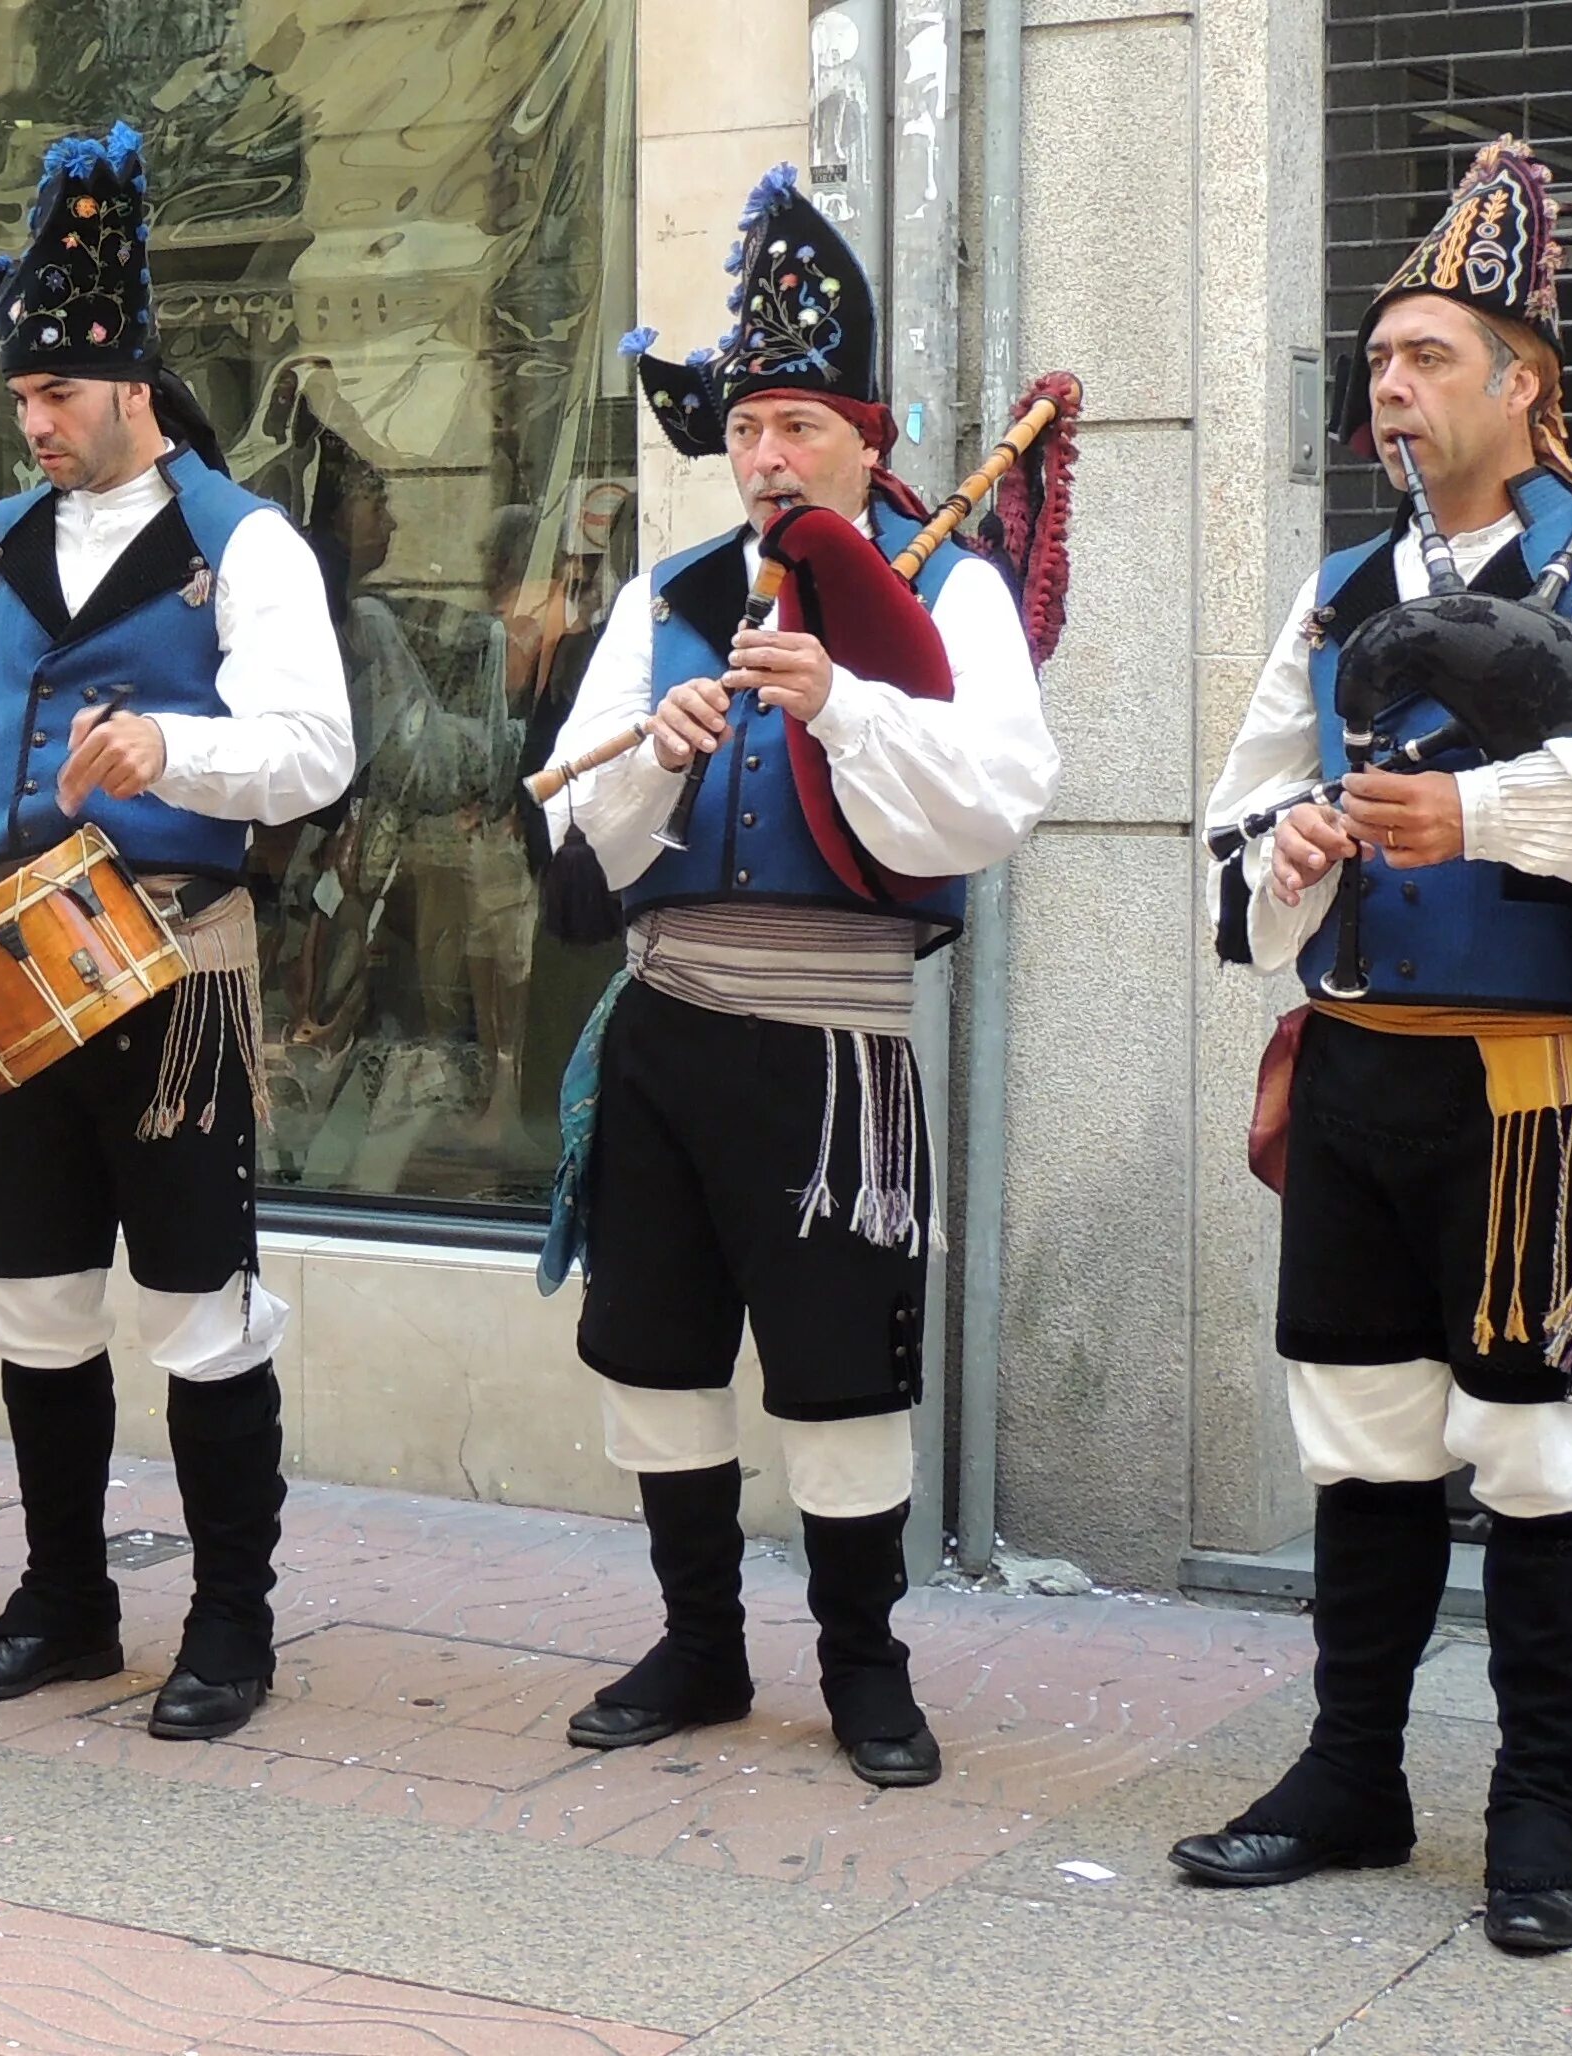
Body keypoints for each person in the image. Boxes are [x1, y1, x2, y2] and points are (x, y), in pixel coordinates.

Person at [1180, 140, 1572, 1953]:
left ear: (1524, 381)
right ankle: (1351, 1773)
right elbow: (1237, 819)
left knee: (1532, 1446)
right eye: (1375, 354)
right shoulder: (1335, 589)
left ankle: (1539, 1818)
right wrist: (1280, 855)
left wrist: (1493, 813)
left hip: (1538, 1078)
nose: (1387, 379)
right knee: (1361, 1436)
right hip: (1356, 1065)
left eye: (1426, 352)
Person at [542, 170, 1058, 1784]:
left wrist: (839, 699)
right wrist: (653, 762)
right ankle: (699, 1644)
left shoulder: (946, 581)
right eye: (748, 427)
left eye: (799, 428)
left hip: (831, 1050)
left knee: (840, 1375)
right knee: (654, 1357)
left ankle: (861, 1666)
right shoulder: (670, 598)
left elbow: (992, 796)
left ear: (866, 432)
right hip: (664, 1029)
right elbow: (563, 823)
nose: (765, 458)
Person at [0, 123, 351, 1741]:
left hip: (176, 961)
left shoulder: (239, 540)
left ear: (131, 381)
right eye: (19, 402)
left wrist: (173, 751)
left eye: (57, 397)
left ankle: (229, 1624)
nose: (37, 425)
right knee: (33, 1296)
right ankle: (65, 1600)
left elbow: (317, 749)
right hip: (13, 962)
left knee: (198, 1303)